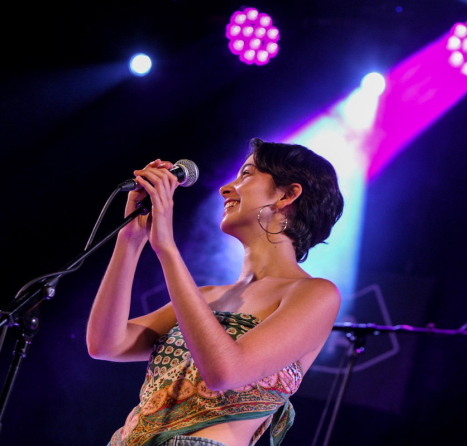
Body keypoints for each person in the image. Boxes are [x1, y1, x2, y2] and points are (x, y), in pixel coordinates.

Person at [86, 138, 344, 446]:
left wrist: (166, 247)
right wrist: (131, 239)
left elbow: (225, 372)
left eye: (246, 174)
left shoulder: (315, 294)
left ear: (287, 195)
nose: (225, 189)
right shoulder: (207, 296)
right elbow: (106, 344)